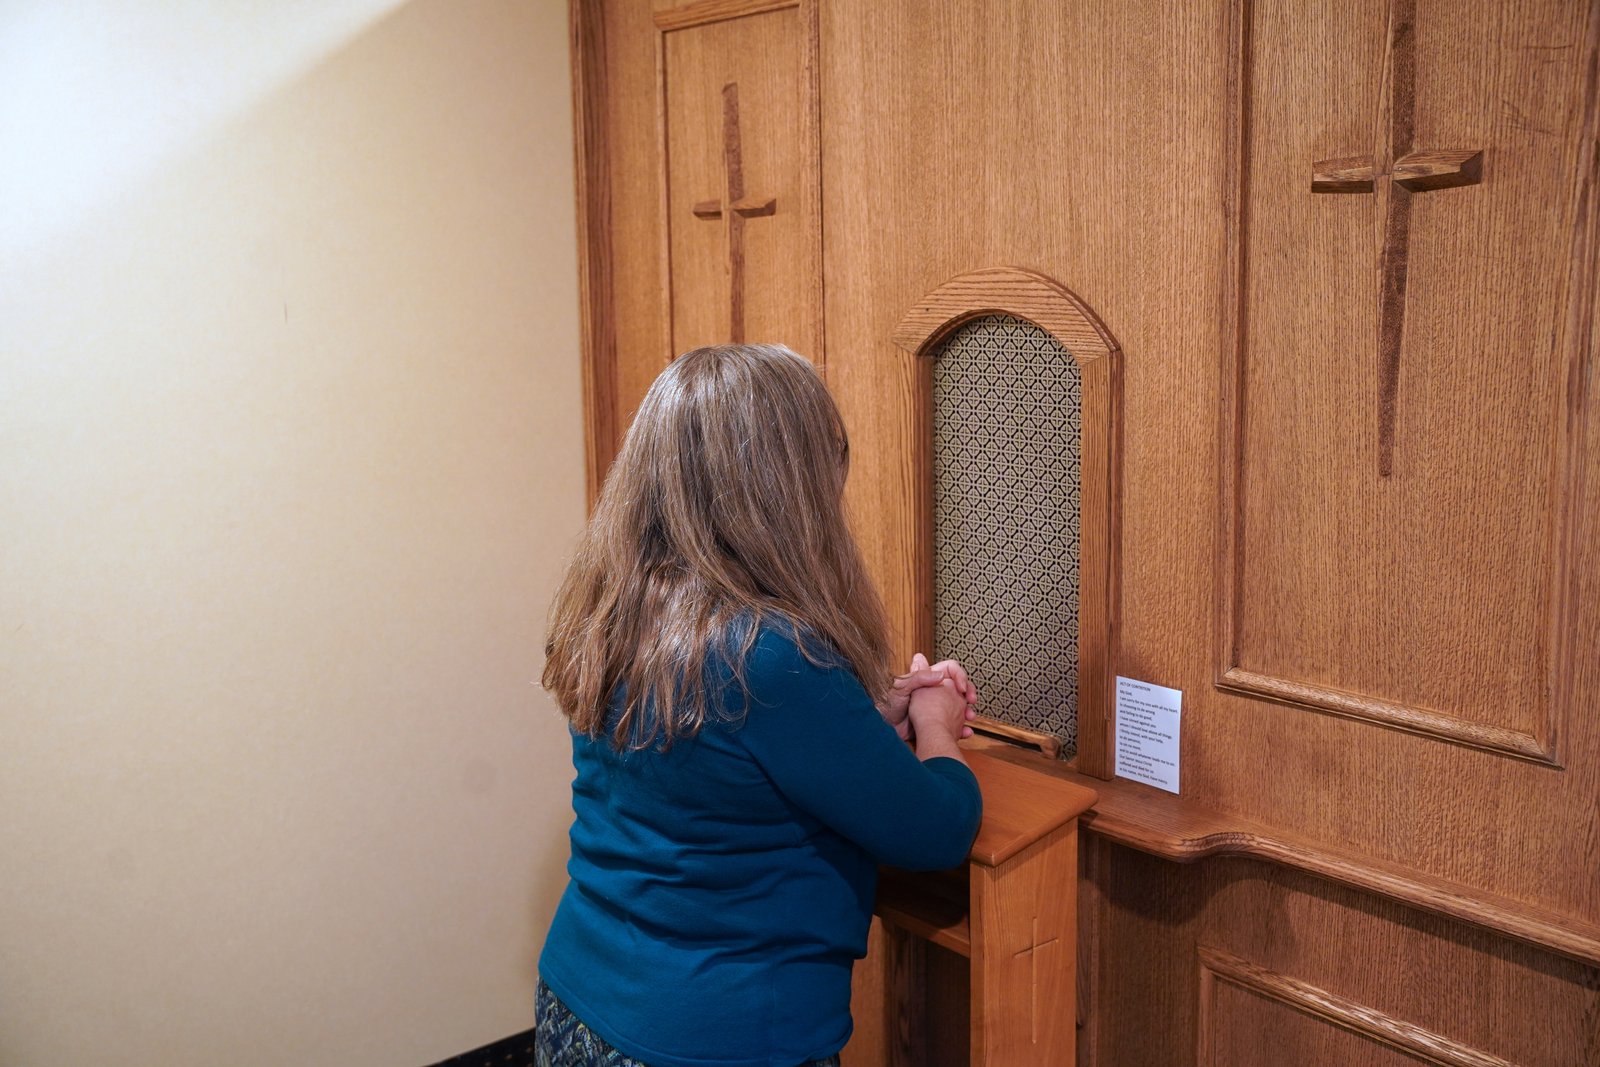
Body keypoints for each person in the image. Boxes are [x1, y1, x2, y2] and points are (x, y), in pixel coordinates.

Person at [536, 344, 984, 1067]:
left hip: (580, 1001)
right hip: (714, 1037)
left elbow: (717, 768)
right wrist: (936, 724)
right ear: (788, 492)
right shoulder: (768, 653)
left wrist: (862, 724)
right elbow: (937, 830)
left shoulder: (618, 608)